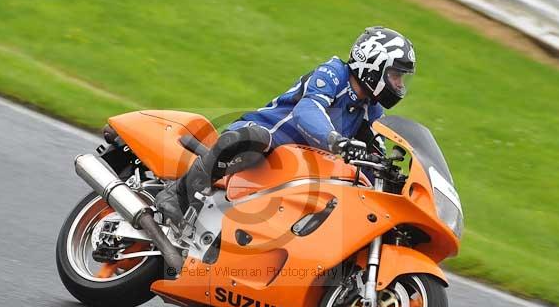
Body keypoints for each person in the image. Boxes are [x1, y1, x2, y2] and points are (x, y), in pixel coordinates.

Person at [155, 26, 416, 224]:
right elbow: (308, 109)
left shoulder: (371, 108)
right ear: (372, 65)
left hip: (298, 168)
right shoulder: (333, 73)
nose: (399, 85)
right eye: (395, 75)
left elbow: (377, 152)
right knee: (253, 139)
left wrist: (397, 179)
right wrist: (338, 141)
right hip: (266, 138)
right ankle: (176, 195)